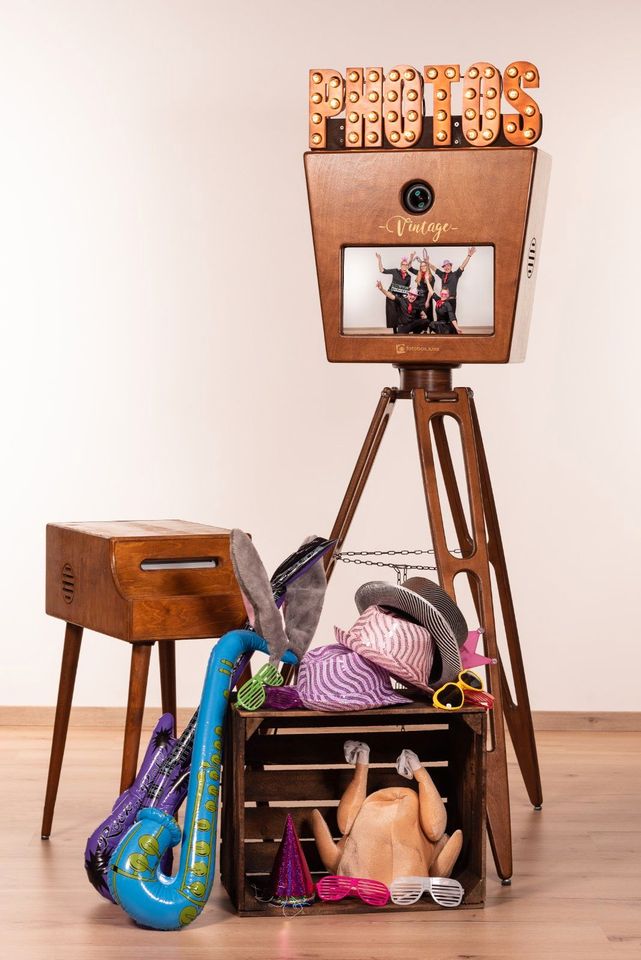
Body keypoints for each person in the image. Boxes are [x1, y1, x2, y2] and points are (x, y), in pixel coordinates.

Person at [426, 247, 476, 317]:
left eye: (448, 265)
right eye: (445, 266)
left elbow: (463, 265)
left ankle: (454, 328)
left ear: (451, 266)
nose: (446, 267)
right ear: (443, 267)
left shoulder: (455, 274)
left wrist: (469, 256)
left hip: (452, 300)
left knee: (452, 318)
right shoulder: (442, 274)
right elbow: (434, 268)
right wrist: (428, 263)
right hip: (443, 299)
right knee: (443, 317)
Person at [376, 251, 414, 332]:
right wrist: (379, 259)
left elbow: (406, 288)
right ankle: (394, 331)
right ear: (401, 265)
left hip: (400, 297)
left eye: (406, 265)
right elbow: (382, 270)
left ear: (407, 266)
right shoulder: (395, 271)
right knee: (393, 314)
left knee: (400, 313)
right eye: (403, 264)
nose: (405, 266)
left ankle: (401, 329)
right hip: (391, 295)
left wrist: (407, 296)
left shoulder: (409, 277)